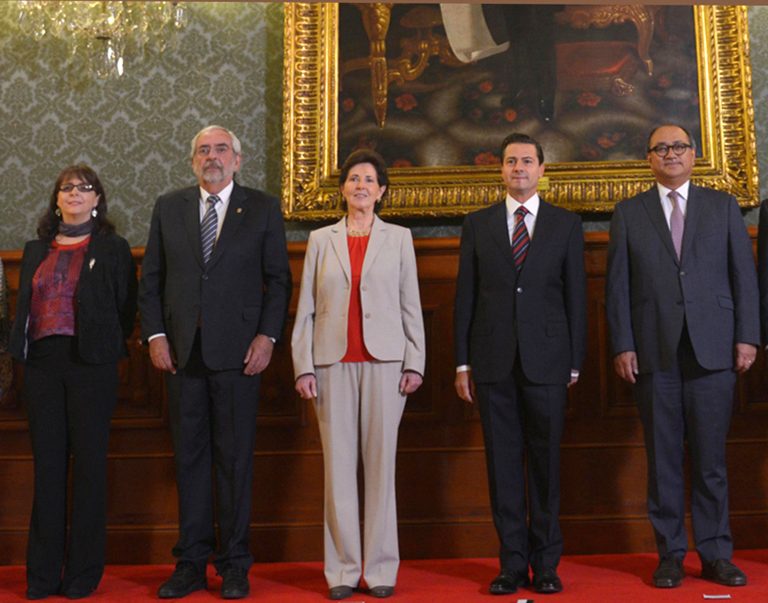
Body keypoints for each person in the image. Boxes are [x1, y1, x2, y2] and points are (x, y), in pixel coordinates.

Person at [139, 125, 292, 600]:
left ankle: (235, 565)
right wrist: (155, 335)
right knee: (189, 462)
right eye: (203, 150)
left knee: (234, 462)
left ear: (237, 160)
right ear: (192, 161)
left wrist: (267, 337)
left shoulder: (262, 208)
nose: (212, 157)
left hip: (239, 356)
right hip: (181, 355)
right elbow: (152, 279)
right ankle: (190, 563)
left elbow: (278, 281)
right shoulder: (169, 207)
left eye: (221, 149)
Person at [606, 124, 758, 589]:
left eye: (679, 147)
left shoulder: (722, 206)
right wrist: (623, 343)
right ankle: (670, 555)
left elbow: (743, 276)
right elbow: (618, 287)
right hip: (654, 351)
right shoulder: (629, 213)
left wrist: (747, 337)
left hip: (714, 349)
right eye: (661, 148)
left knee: (711, 461)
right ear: (649, 158)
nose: (670, 154)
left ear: (693, 155)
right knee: (664, 460)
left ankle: (715, 554)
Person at [453, 132, 586, 595]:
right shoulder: (478, 224)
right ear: (501, 169)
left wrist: (574, 362)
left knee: (546, 466)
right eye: (511, 161)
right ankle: (511, 564)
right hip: (492, 362)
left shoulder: (566, 224)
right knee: (503, 467)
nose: (519, 169)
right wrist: (462, 364)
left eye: (527, 161)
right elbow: (465, 298)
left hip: (548, 362)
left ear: (542, 169)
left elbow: (576, 297)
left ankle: (546, 564)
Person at [291, 149, 425, 600]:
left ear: (381, 190)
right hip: (331, 365)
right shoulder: (320, 239)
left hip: (386, 365)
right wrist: (303, 366)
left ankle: (381, 569)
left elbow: (410, 304)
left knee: (381, 470)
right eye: (353, 179)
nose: (361, 186)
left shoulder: (399, 238)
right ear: (343, 189)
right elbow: (306, 309)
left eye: (369, 180)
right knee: (338, 473)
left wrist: (415, 361)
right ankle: (343, 572)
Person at [9, 165, 137, 600]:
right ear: (56, 199)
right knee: (47, 470)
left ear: (97, 199)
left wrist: (104, 346)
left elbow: (125, 309)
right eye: (67, 188)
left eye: (85, 188)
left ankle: (82, 574)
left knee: (88, 469)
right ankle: (42, 576)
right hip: (41, 368)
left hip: (91, 367)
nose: (75, 193)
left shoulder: (113, 248)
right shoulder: (35, 250)